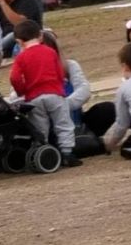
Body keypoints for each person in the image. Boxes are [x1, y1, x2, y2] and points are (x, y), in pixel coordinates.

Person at [9, 20, 81, 167]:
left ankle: (44, 151)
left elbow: (14, 78)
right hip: (54, 93)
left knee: (40, 127)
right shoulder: (50, 52)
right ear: (40, 36)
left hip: (34, 97)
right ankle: (67, 152)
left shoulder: (21, 58)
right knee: (63, 124)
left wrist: (22, 90)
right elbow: (59, 71)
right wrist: (59, 84)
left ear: (19, 42)